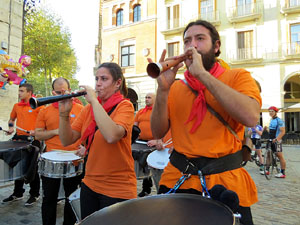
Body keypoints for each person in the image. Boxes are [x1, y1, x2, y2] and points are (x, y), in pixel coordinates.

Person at [150, 20, 261, 225]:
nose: (192, 46)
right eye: (187, 41)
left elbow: (251, 117)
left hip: (225, 185)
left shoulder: (238, 77)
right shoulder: (174, 88)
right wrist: (163, 90)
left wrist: (201, 74)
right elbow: (157, 131)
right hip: (178, 180)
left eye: (200, 39)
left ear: (216, 46)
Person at [58, 62, 136, 220]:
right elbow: (67, 140)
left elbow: (112, 135)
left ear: (117, 83)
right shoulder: (88, 110)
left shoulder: (125, 106)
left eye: (104, 79)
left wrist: (93, 101)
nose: (98, 83)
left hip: (117, 188)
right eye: (96, 79)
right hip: (90, 183)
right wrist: (64, 114)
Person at [35, 77, 84, 225]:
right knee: (49, 197)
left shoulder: (81, 109)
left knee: (71, 197)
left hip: (74, 158)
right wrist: (57, 131)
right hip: (52, 159)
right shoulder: (44, 111)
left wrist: (84, 146)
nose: (62, 94)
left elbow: (86, 133)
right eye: (58, 92)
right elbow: (38, 134)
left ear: (70, 90)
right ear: (52, 92)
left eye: (65, 91)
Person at [2, 83, 43, 206]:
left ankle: (34, 194)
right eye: (19, 91)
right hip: (19, 138)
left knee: (31, 167)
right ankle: (17, 193)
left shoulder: (39, 106)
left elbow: (45, 124)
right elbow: (11, 120)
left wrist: (36, 131)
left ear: (29, 93)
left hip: (33, 139)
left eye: (21, 91)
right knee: (16, 165)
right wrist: (10, 128)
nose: (19, 93)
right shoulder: (16, 106)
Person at [134, 93, 163, 197]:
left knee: (155, 168)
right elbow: (135, 127)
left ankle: (160, 190)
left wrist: (157, 141)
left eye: (149, 97)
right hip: (142, 143)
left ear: (155, 99)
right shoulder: (140, 112)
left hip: (155, 144)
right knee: (144, 167)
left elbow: (164, 128)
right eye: (145, 97)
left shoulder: (160, 112)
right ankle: (146, 189)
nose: (146, 99)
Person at [263, 106, 286, 178]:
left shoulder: (279, 121)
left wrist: (276, 139)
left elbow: (283, 132)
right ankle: (267, 170)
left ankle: (282, 173)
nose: (270, 112)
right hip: (270, 140)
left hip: (277, 141)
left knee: (280, 156)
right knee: (268, 154)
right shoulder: (271, 120)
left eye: (272, 111)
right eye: (269, 111)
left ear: (276, 112)